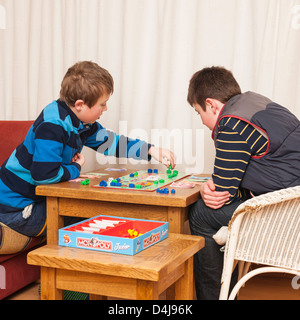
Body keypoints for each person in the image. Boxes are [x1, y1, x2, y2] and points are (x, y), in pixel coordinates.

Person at [0, 61, 175, 239]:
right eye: (102, 104)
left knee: (96, 212)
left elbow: (111, 142)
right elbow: (44, 176)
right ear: (80, 105)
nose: (106, 109)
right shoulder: (52, 125)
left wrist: (151, 150)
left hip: (32, 202)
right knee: (89, 217)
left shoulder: (81, 123)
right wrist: (75, 168)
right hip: (16, 210)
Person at [187, 66, 300, 300]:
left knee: (200, 213)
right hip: (292, 199)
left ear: (211, 104)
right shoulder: (253, 101)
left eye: (199, 113)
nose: (203, 122)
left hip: (287, 212)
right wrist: (218, 184)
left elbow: (222, 194)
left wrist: (207, 188)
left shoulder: (231, 123)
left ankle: (215, 296)